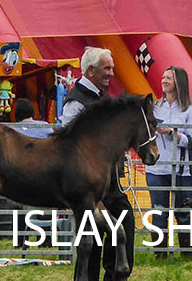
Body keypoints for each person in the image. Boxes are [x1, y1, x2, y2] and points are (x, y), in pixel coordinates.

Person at [60, 46, 133, 281]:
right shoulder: (76, 102)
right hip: (88, 185)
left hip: (110, 181)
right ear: (90, 71)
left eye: (112, 68)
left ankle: (114, 276)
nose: (111, 73)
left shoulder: (103, 96)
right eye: (106, 68)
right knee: (90, 244)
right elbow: (70, 142)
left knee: (124, 223)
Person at [146, 66, 192, 259]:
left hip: (182, 169)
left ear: (179, 82)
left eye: (169, 78)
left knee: (184, 212)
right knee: (159, 212)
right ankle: (160, 256)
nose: (164, 80)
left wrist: (171, 132)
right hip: (157, 168)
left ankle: (187, 255)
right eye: (163, 77)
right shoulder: (155, 106)